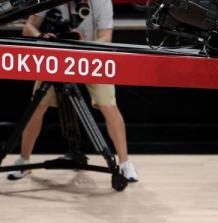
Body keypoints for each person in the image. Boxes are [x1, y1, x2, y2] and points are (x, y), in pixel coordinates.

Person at [8, 0, 138, 182]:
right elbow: (28, 27)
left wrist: (82, 45)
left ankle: (125, 163)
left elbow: (106, 38)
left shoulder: (101, 2)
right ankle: (23, 161)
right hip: (56, 57)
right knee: (36, 107)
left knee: (108, 105)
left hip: (91, 56)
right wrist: (42, 36)